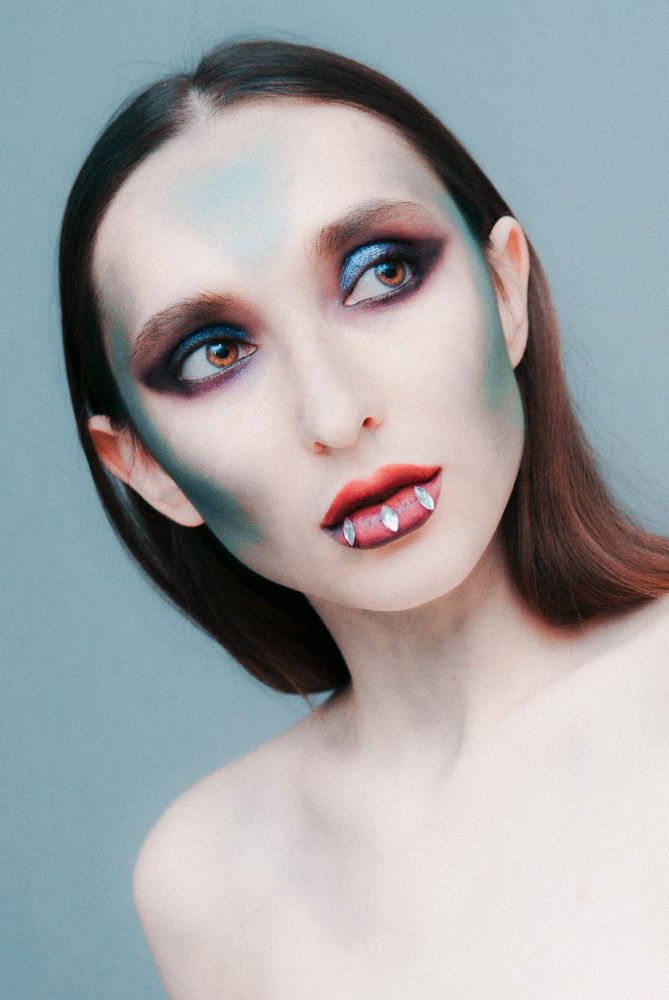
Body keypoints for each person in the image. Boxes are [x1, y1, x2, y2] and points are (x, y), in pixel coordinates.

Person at [59, 37, 669, 998]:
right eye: (215, 354)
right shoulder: (208, 881)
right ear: (145, 468)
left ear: (504, 290)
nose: (336, 415)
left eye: (381, 274)